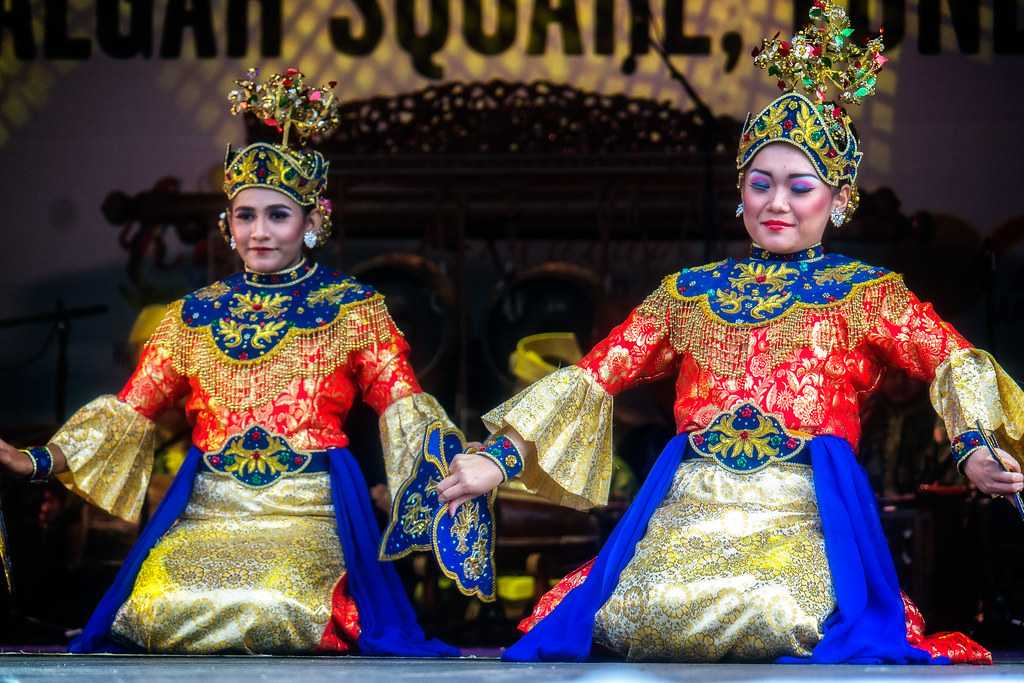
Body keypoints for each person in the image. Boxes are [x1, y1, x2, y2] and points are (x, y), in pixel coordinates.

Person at [434, 2, 1023, 663]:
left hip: (804, 508)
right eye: (761, 184)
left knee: (775, 616)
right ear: (738, 193)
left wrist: (974, 444)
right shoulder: (689, 293)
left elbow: (953, 359)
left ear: (840, 198)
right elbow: (597, 373)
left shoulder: (867, 295)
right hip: (691, 503)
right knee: (642, 615)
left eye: (801, 187)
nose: (778, 203)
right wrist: (499, 458)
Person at [0, 68, 458, 657]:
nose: (259, 231)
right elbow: (131, 409)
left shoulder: (353, 309)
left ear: (313, 224)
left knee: (277, 606)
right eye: (246, 215)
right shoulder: (193, 315)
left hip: (308, 505)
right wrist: (36, 459)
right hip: (210, 505)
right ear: (227, 224)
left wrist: (457, 470)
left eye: (278, 215)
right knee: (156, 609)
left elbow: (404, 403)